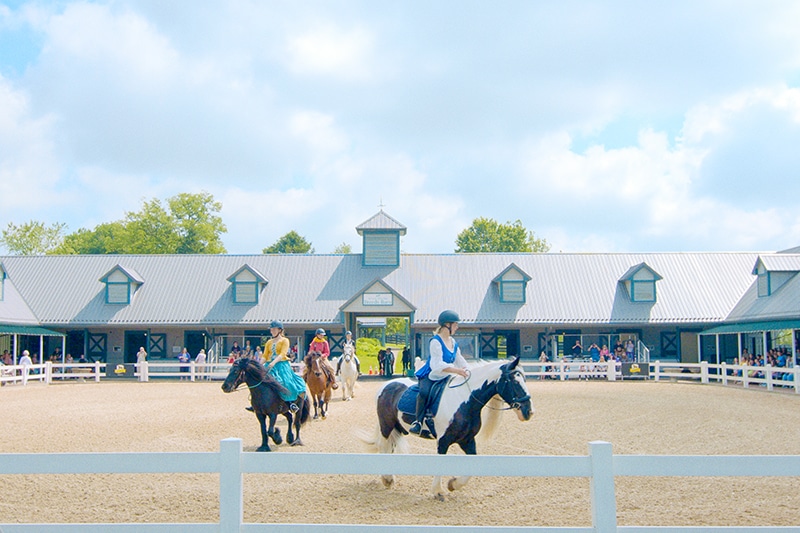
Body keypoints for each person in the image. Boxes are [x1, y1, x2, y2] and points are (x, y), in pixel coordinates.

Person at [410, 310, 469, 439]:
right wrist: (457, 371)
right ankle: (418, 422)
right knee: (424, 393)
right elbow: (437, 365)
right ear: (447, 325)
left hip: (446, 375)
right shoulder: (435, 341)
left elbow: (459, 359)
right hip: (431, 375)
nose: (457, 327)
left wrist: (467, 370)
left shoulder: (453, 342)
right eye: (455, 324)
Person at [260, 321, 306, 412]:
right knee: (259, 381)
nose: (271, 331)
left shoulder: (285, 340)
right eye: (271, 329)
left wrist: (274, 362)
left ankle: (290, 403)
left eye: (273, 329)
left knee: (285, 382)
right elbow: (265, 356)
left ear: (279, 330)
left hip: (281, 365)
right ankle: (257, 403)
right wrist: (258, 365)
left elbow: (282, 354)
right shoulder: (269, 342)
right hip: (268, 365)